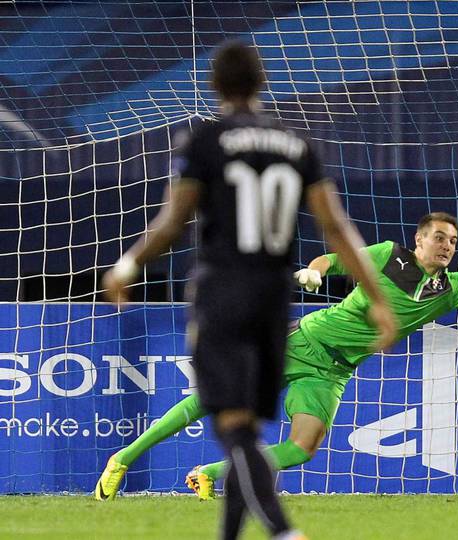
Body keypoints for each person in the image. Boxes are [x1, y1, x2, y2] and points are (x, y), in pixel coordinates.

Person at [98, 40, 396, 540]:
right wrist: (379, 298)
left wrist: (128, 265)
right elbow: (336, 227)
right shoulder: (297, 144)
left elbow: (175, 220)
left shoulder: (206, 139)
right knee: (249, 431)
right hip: (275, 299)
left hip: (221, 290)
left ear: (215, 86)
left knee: (231, 425)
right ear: (263, 83)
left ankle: (283, 531)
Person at [96, 211, 458, 501]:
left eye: (452, 240)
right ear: (419, 240)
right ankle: (123, 458)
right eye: (438, 238)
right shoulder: (387, 255)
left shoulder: (453, 289)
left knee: (303, 449)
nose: (447, 246)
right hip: (302, 341)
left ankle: (207, 475)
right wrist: (312, 270)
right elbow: (333, 258)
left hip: (333, 371)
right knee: (212, 400)